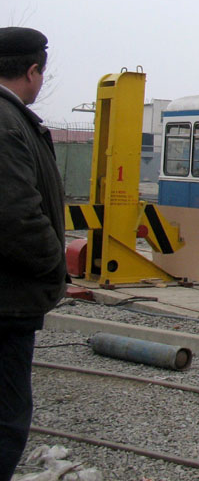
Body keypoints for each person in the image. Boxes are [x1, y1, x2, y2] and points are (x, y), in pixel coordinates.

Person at [0, 27, 67, 481]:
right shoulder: (8, 123)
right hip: (7, 301)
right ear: (32, 71)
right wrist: (53, 263)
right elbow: (16, 213)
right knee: (6, 418)